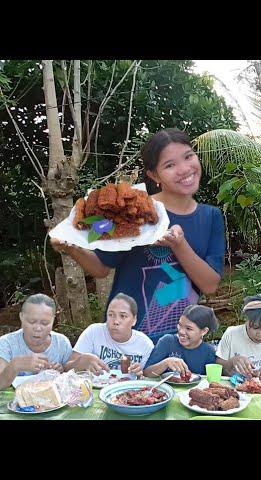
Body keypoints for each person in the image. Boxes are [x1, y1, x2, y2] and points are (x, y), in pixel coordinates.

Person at [50, 128, 225, 343]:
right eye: (170, 165)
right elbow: (101, 268)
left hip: (180, 341)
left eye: (188, 156)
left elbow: (209, 285)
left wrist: (179, 244)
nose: (184, 169)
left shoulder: (211, 217)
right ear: (153, 175)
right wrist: (70, 247)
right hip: (126, 339)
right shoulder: (135, 209)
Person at [65, 293, 154, 376]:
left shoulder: (145, 344)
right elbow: (66, 369)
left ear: (134, 320)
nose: (115, 321)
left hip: (129, 390)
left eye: (123, 316)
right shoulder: (93, 332)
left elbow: (149, 377)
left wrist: (140, 374)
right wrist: (82, 360)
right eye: (111, 315)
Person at [0, 294, 73, 389]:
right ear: (21, 317)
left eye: (45, 323)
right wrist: (15, 365)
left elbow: (71, 379)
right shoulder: (6, 343)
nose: (38, 328)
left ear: (53, 320)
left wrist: (60, 371)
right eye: (31, 322)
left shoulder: (61, 343)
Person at [143, 304, 217, 377]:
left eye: (189, 328)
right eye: (180, 325)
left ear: (204, 331)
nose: (181, 331)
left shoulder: (209, 352)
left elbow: (210, 381)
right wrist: (166, 363)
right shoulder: (168, 341)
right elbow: (146, 373)